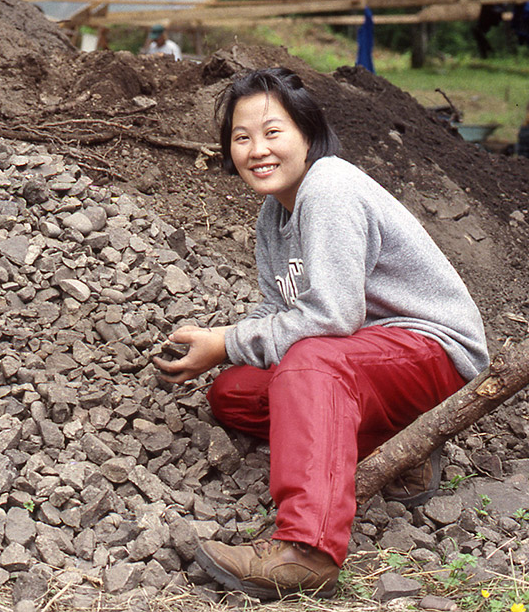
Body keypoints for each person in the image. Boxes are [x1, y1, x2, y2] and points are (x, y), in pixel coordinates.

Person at [154, 68, 489, 600]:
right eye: (241, 138)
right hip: (364, 361)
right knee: (235, 391)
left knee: (311, 361)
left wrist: (226, 340)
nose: (257, 150)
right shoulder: (273, 215)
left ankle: (307, 551)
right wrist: (225, 349)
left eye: (272, 132)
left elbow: (332, 318)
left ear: (307, 135)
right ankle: (400, 448)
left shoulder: (329, 186)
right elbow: (280, 308)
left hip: (430, 350)